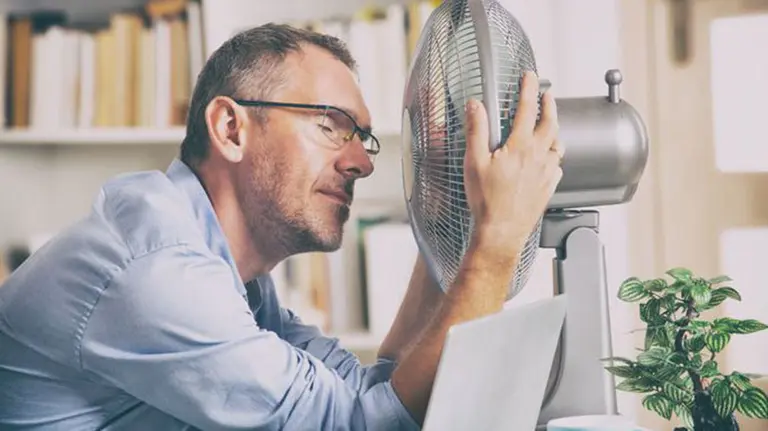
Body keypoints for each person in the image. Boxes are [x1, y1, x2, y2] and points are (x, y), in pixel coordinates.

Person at [0, 24, 563, 430]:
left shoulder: (232, 276)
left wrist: (450, 220)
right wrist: (493, 242)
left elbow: (374, 393)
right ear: (230, 128)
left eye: (362, 139)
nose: (363, 162)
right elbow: (361, 428)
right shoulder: (158, 272)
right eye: (331, 125)